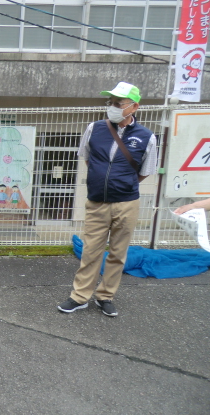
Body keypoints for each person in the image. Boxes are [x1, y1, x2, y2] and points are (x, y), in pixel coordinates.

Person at [58, 82, 158, 317]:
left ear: (134, 107)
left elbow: (145, 171)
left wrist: (121, 183)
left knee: (117, 252)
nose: (112, 107)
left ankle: (105, 296)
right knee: (91, 250)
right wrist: (101, 179)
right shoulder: (94, 128)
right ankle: (80, 296)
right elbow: (87, 159)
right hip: (97, 202)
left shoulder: (147, 137)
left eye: (118, 103)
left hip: (127, 203)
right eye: (110, 102)